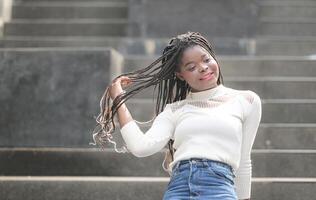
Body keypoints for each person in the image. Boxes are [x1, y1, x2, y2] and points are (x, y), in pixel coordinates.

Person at [92, 32, 262, 200]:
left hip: (219, 188)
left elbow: (244, 160)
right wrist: (119, 100)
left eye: (206, 59)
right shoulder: (174, 110)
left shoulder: (246, 100)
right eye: (191, 67)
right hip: (179, 189)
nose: (203, 67)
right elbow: (141, 147)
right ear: (181, 75)